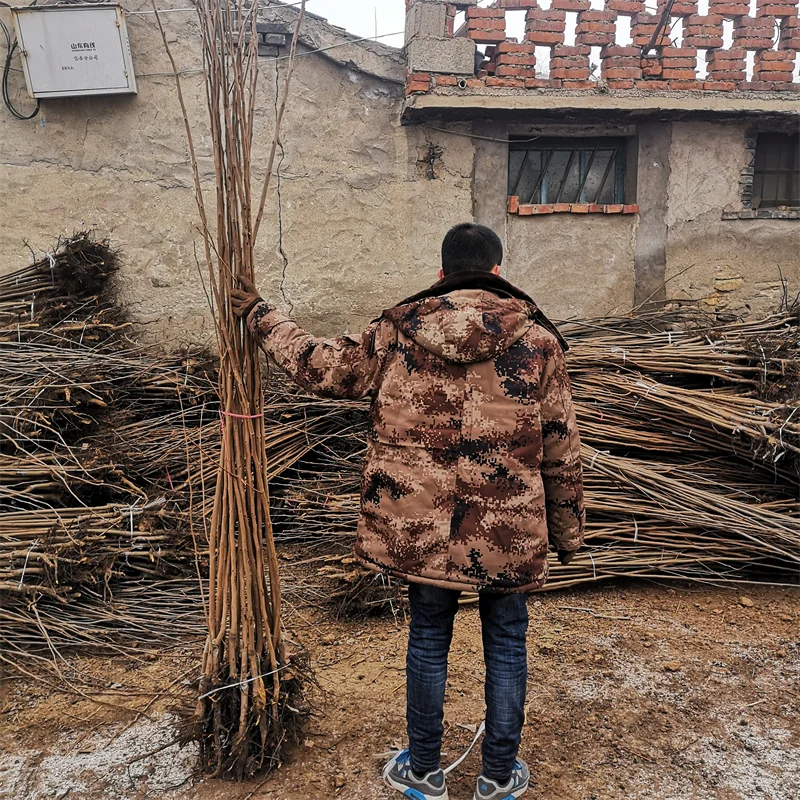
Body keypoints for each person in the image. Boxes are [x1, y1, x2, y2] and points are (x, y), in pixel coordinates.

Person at [232, 222, 585, 800]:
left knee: (427, 636)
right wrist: (567, 534)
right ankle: (497, 777)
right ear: (497, 272)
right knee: (507, 642)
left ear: (442, 273)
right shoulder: (540, 341)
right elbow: (560, 448)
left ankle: (424, 770)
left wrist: (261, 316)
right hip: (508, 528)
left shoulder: (400, 331)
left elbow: (322, 366)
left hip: (418, 526)